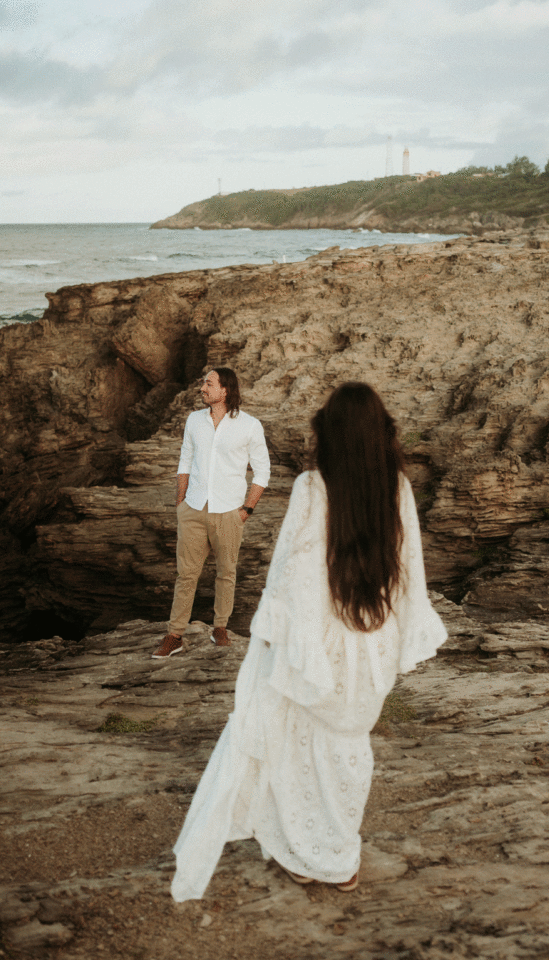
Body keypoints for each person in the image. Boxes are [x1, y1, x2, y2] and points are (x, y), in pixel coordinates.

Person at [170, 382, 448, 899]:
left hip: (322, 644)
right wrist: (402, 637)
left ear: (331, 435)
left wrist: (279, 643)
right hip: (375, 642)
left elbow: (289, 577)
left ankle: (317, 852)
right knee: (349, 747)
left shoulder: (312, 488)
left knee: (303, 747)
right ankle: (340, 854)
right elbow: (410, 572)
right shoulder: (398, 489)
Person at [152, 367, 271, 657]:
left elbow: (263, 471)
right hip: (193, 507)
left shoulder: (250, 425)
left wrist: (246, 510)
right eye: (204, 382)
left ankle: (220, 627)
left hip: (229, 511)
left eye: (209, 383)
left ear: (225, 390)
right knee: (186, 575)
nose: (203, 388)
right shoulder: (194, 420)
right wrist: (181, 501)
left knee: (226, 572)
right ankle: (175, 635)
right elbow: (185, 459)